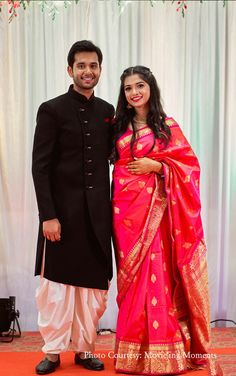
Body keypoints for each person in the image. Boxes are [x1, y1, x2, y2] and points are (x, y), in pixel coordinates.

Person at [112, 66, 221, 375]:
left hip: (158, 216)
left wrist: (157, 167)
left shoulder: (167, 127)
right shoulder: (118, 127)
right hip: (127, 216)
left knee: (158, 273)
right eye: (128, 87)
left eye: (140, 85)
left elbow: (189, 168)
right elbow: (118, 169)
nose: (134, 92)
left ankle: (167, 352)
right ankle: (133, 354)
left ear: (151, 88)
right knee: (132, 282)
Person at [32, 40, 114, 374]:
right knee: (58, 288)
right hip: (61, 216)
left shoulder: (108, 111)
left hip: (97, 216)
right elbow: (40, 167)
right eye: (81, 66)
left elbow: (118, 156)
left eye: (93, 65)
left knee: (91, 288)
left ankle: (84, 349)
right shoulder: (51, 109)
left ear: (99, 69)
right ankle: (52, 352)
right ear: (70, 70)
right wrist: (47, 215)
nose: (88, 71)